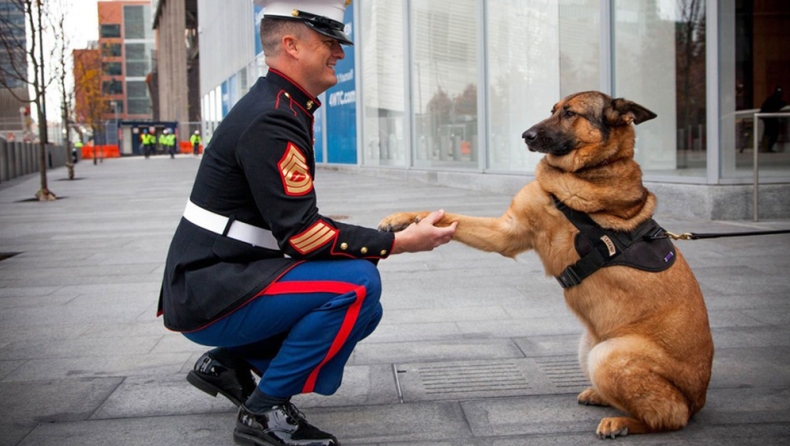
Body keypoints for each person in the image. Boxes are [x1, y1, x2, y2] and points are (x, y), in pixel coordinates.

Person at [157, 1, 456, 445]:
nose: (339, 52)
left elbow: (295, 226)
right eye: (329, 42)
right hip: (209, 288)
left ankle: (229, 363)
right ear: (292, 46)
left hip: (219, 275)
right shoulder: (273, 115)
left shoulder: (280, 104)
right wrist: (400, 242)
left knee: (366, 308)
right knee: (356, 285)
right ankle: (264, 411)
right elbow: (303, 235)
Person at [759, 85, 787, 153]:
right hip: (769, 117)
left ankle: (765, 147)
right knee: (772, 132)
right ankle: (766, 147)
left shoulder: (771, 99)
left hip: (768, 117)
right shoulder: (773, 99)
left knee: (768, 132)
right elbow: (779, 104)